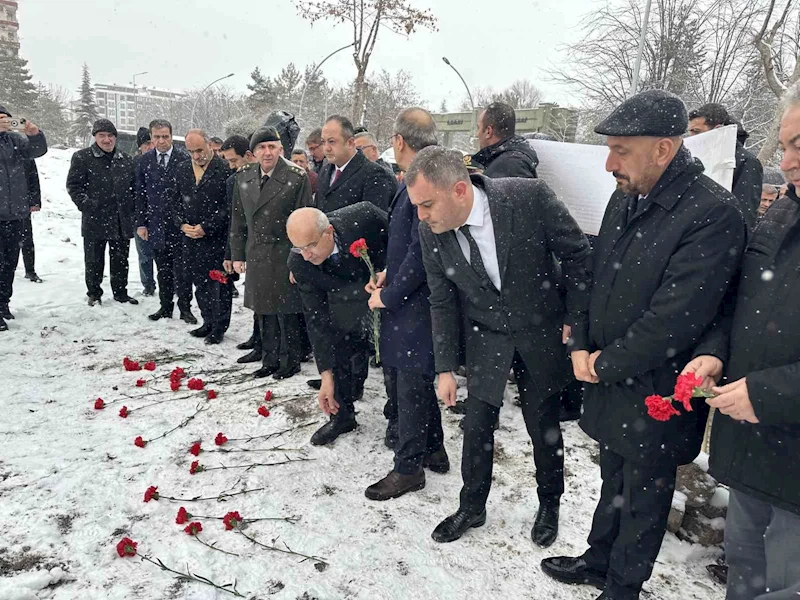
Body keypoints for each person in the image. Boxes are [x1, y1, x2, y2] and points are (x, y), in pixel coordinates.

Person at [541, 90, 746, 600]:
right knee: (612, 475)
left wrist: (603, 362)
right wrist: (582, 344)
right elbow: (594, 273)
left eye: (621, 150)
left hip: (657, 385)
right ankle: (598, 559)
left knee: (644, 495)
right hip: (609, 372)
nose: (609, 164)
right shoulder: (626, 196)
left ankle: (624, 585)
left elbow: (676, 317)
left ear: (663, 149)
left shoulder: (711, 212)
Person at [409, 146, 592, 547]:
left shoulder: (527, 198)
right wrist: (444, 368)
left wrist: (575, 321)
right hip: (486, 336)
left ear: (459, 190)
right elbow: (440, 299)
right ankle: (472, 505)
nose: (421, 216)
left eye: (426, 205)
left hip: (540, 332)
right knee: (476, 427)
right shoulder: (431, 231)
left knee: (542, 424)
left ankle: (550, 503)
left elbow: (579, 256)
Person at [681, 83, 800, 600]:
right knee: (745, 578)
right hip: (754, 454)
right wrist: (716, 351)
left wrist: (770, 394)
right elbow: (740, 300)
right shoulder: (782, 212)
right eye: (786, 143)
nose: (787, 159)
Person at [363, 107, 449, 501]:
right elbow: (405, 249)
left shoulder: (424, 178)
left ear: (398, 141)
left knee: (411, 384)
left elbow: (421, 250)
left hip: (417, 303)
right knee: (414, 379)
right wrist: (386, 273)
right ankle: (434, 448)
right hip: (411, 296)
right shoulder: (421, 173)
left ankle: (408, 468)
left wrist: (390, 294)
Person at [287, 203, 388, 445]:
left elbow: (404, 241)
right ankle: (342, 416)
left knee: (392, 364)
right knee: (338, 352)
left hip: (383, 296)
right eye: (299, 248)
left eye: (310, 245)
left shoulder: (365, 218)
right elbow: (316, 318)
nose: (306, 254)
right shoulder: (300, 261)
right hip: (341, 303)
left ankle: (396, 420)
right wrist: (326, 375)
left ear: (329, 232)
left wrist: (388, 271)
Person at [230, 127, 312, 379]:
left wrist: (298, 259)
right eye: (261, 148)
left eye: (272, 147)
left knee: (286, 310)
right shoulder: (243, 177)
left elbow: (304, 220)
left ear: (281, 149)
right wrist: (237, 254)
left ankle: (290, 360)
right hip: (257, 252)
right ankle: (269, 357)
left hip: (284, 251)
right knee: (262, 308)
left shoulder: (297, 177)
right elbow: (238, 219)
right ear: (253, 152)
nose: (267, 153)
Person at [66, 119, 138, 307]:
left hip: (120, 219)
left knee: (121, 260)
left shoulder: (125, 159)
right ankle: (94, 293)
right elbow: (74, 186)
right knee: (94, 260)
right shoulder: (82, 157)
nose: (107, 140)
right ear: (95, 138)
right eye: (102, 136)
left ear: (115, 137)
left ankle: (121, 292)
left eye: (110, 136)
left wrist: (131, 209)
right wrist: (87, 205)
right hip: (95, 219)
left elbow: (134, 188)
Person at [173, 129, 234, 344]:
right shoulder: (181, 169)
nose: (197, 156)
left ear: (209, 145)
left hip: (216, 239)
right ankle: (207, 321)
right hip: (190, 239)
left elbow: (230, 208)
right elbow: (173, 201)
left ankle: (219, 326)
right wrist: (181, 223)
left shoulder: (225, 170)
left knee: (220, 284)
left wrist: (206, 226)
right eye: (191, 152)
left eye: (200, 150)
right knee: (200, 283)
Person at [136, 119, 196, 323]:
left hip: (179, 224)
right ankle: (165, 306)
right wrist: (141, 223)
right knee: (163, 269)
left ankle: (185, 307)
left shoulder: (184, 159)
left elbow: (190, 192)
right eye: (157, 137)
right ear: (151, 138)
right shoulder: (144, 161)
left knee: (183, 270)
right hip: (156, 224)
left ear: (171, 136)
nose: (161, 141)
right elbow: (140, 195)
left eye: (165, 136)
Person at [0, 105, 47, 330]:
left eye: (7, 119)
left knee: (9, 264)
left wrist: (34, 135)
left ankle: (2, 304)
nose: (4, 122)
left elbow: (36, 151)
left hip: (15, 215)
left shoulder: (15, 142)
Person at [688, 103, 763, 228]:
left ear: (717, 130)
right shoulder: (695, 158)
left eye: (696, 132)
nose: (691, 138)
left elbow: (745, 212)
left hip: (720, 236)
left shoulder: (746, 162)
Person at [220, 134, 261, 357]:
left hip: (269, 247)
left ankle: (266, 339)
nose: (231, 166)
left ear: (248, 155)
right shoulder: (234, 182)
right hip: (248, 247)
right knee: (254, 295)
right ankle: (257, 336)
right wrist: (231, 253)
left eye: (234, 161)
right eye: (227, 162)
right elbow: (234, 222)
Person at [315, 115, 397, 213]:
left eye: (332, 141)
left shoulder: (374, 174)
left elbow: (374, 219)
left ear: (350, 143)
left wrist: (334, 224)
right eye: (323, 142)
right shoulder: (325, 172)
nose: (326, 148)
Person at [472, 102, 539, 178]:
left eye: (478, 128)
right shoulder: (507, 160)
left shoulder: (509, 166)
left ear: (488, 131)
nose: (477, 134)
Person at [133, 126, 156, 296]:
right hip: (140, 215)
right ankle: (148, 285)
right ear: (140, 146)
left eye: (152, 142)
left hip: (161, 216)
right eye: (146, 143)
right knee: (145, 255)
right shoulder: (134, 164)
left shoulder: (162, 162)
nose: (150, 146)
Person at [20, 158, 43, 283]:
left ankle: (30, 270)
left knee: (26, 238)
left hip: (21, 203)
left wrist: (35, 201)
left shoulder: (22, 150)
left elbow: (33, 179)